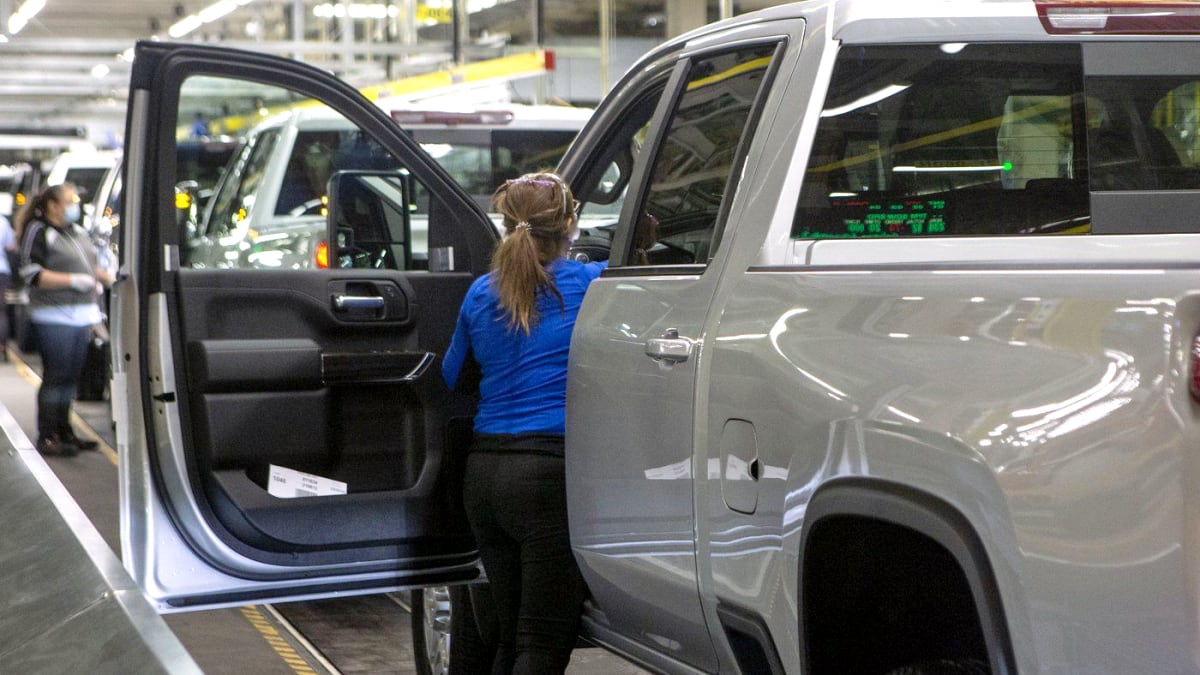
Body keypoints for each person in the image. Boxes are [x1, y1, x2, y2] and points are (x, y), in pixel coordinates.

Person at [442, 172, 603, 674]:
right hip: (545, 480)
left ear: (506, 224)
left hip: (484, 477)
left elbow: (453, 376)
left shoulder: (480, 293)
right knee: (540, 644)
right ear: (570, 225)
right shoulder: (590, 283)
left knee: (509, 638)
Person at [17, 183, 112, 456]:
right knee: (56, 376)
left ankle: (65, 430)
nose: (74, 207)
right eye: (70, 201)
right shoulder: (39, 231)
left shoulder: (77, 232)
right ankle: (48, 434)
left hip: (81, 315)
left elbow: (91, 264)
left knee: (71, 377)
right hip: (53, 315)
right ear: (53, 206)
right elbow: (31, 273)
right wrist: (72, 280)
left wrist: (105, 277)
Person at [0, 212, 15, 360]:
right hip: (2, 271)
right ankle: (1, 347)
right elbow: (11, 246)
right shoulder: (3, 221)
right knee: (1, 311)